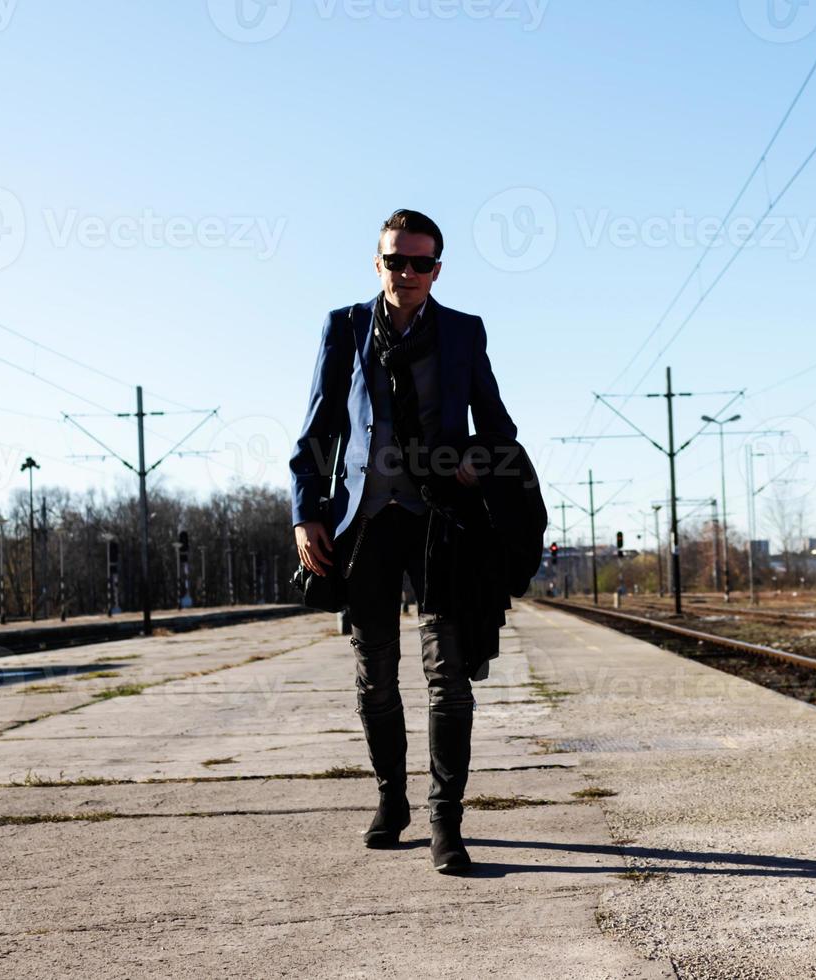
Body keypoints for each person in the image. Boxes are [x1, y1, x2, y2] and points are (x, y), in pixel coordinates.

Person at [289, 209, 517, 875]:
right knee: (375, 677)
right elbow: (316, 434)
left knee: (448, 677)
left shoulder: (463, 333)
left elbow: (498, 427)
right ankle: (392, 802)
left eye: (421, 263)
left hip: (442, 523)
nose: (408, 273)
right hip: (366, 523)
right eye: (397, 261)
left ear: (437, 269)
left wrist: (478, 458)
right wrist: (306, 515)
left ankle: (447, 820)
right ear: (378, 262)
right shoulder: (344, 328)